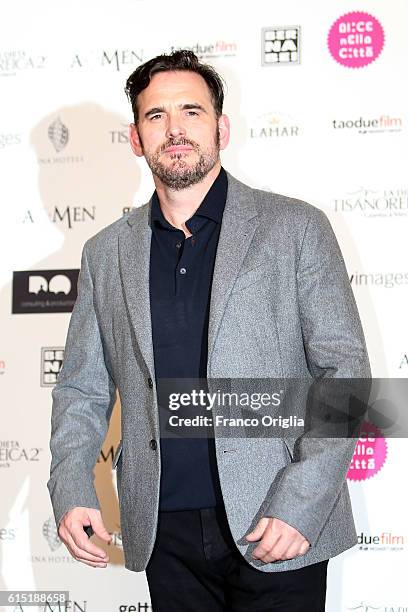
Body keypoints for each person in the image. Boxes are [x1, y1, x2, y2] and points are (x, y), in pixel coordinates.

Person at [47, 50, 371, 611]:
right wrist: (72, 486)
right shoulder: (106, 252)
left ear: (221, 127)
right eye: (156, 116)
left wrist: (302, 502)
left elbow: (344, 373)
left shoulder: (294, 228)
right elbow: (82, 388)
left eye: (191, 112)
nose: (175, 129)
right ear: (134, 137)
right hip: (164, 531)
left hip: (274, 520)